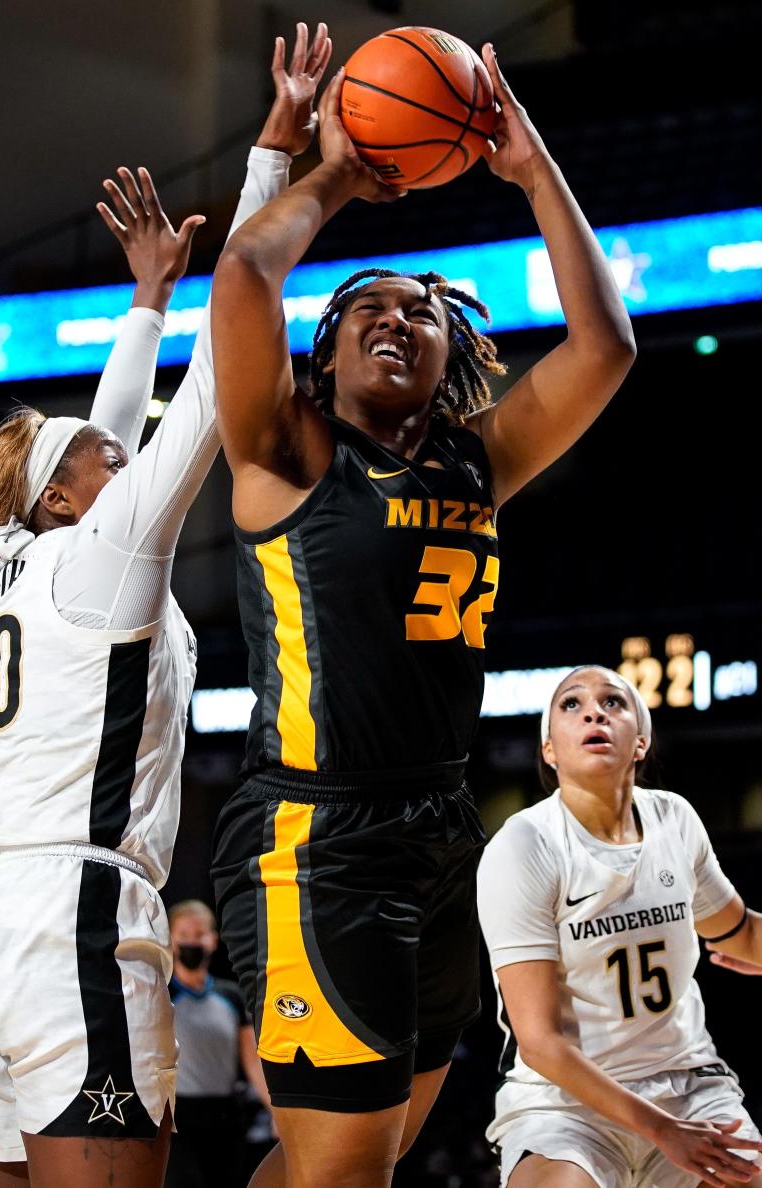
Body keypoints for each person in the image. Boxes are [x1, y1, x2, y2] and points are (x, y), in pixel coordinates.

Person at [0, 25, 331, 1188]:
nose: (123, 450)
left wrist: (144, 300)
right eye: (105, 453)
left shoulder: (20, 561)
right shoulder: (90, 556)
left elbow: (117, 421)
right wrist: (275, 165)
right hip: (67, 921)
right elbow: (209, 392)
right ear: (60, 494)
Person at [208, 36, 638, 1188]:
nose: (396, 319)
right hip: (315, 842)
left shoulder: (477, 461)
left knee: (361, 1156)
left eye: (421, 313)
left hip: (445, 836)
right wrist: (339, 172)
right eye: (366, 309)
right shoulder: (285, 452)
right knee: (342, 1166)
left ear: (454, 354)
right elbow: (246, 276)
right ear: (324, 352)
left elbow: (607, 345)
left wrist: (534, 168)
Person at [477, 664, 762, 1188]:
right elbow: (538, 1041)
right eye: (571, 704)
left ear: (641, 741)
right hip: (564, 1100)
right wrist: (661, 1131)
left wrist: (675, 1124)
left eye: (613, 702)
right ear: (549, 750)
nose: (593, 711)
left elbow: (740, 932)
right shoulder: (524, 845)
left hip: (688, 1086)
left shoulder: (674, 818)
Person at [164, 899, 271, 1188]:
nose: (191, 943)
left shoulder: (231, 996)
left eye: (199, 935)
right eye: (183, 935)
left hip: (226, 1117)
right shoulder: (162, 995)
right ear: (170, 940)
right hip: (177, 1119)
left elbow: (252, 1061)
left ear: (213, 940)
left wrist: (278, 1109)